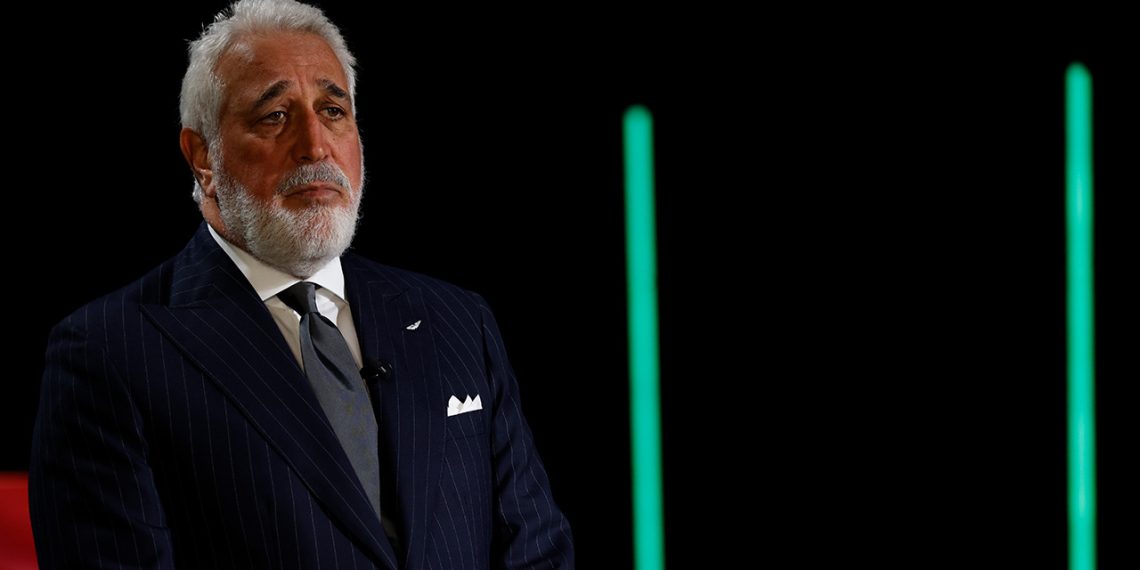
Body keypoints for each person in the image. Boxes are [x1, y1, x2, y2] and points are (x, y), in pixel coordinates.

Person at [27, 0, 575, 567]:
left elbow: (537, 549)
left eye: (333, 110)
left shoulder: (458, 321)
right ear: (203, 157)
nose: (315, 145)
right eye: (274, 116)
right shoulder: (107, 354)